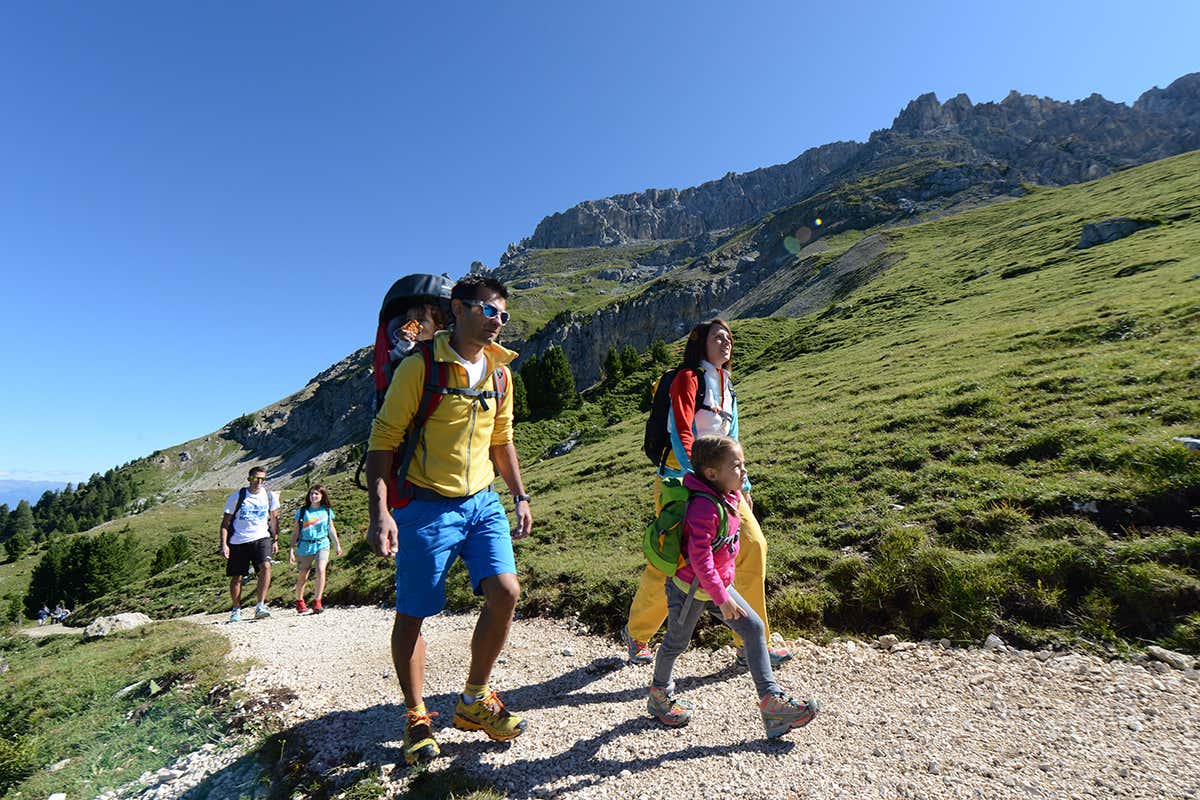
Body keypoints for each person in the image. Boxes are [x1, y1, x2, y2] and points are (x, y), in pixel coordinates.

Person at [366, 274, 533, 766]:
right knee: (413, 613)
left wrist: (519, 495)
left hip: (482, 501)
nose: (498, 321)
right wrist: (380, 513)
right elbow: (383, 441)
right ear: (457, 309)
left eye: (503, 314)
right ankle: (416, 716)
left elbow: (502, 440)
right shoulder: (419, 367)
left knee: (506, 591)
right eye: (488, 310)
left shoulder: (501, 374)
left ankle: (474, 699)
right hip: (425, 506)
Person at [624, 318, 793, 667]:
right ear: (700, 342)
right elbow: (680, 432)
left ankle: (750, 642)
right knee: (672, 559)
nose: (726, 342)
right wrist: (697, 479)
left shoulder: (728, 386)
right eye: (718, 337)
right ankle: (638, 633)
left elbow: (733, 441)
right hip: (680, 482)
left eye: (729, 338)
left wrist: (743, 485)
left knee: (752, 546)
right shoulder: (687, 378)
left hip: (723, 485)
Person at [647, 434, 819, 739]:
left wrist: (722, 590)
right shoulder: (704, 507)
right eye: (736, 466)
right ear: (712, 473)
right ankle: (659, 695)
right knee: (676, 642)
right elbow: (700, 559)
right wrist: (722, 597)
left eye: (743, 464)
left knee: (753, 629)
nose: (744, 471)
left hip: (716, 587)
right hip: (690, 590)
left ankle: (772, 705)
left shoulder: (726, 496)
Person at [219, 466, 280, 621]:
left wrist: (275, 539)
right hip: (238, 541)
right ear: (249, 479)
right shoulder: (237, 496)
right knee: (237, 577)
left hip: (262, 537)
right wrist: (224, 544)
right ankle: (236, 609)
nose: (259, 482)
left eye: (262, 479)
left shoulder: (269, 496)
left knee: (266, 566)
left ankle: (260, 606)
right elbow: (225, 523)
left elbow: (274, 519)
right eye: (255, 478)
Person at [290, 484, 342, 614]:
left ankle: (317, 602)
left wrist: (337, 544)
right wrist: (291, 549)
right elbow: (295, 532)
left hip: (322, 544)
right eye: (311, 493)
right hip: (305, 546)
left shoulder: (327, 511)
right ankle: (299, 601)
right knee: (303, 575)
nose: (313, 496)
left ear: (322, 496)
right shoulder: (302, 511)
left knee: (321, 570)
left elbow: (331, 528)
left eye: (316, 494)